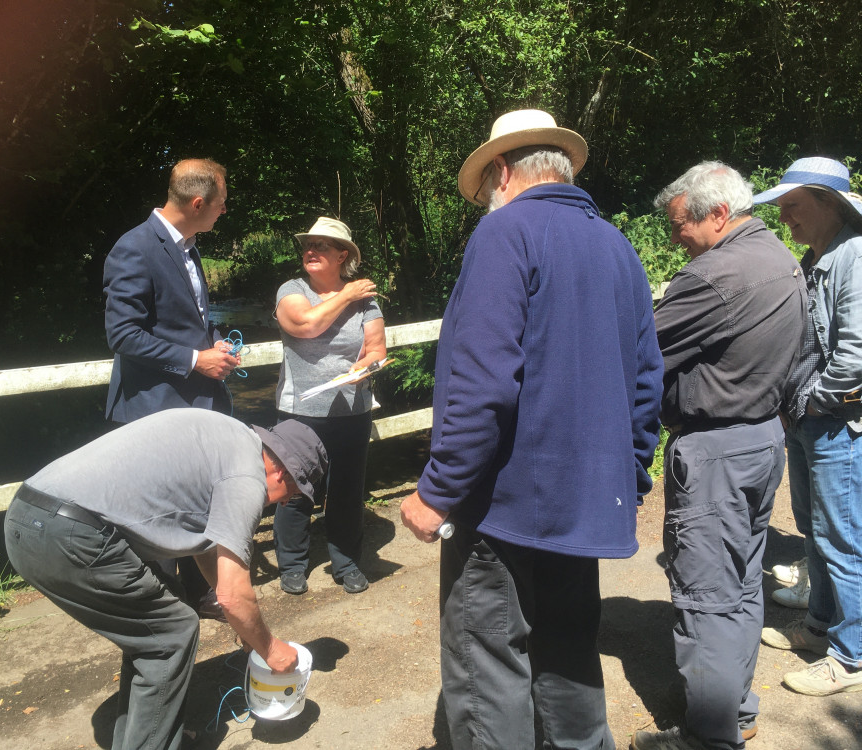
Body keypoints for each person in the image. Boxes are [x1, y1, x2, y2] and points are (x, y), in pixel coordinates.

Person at [399, 109, 663, 749]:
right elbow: (646, 380)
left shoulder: (504, 234)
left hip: (501, 507)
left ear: (501, 170)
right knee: (569, 653)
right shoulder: (617, 245)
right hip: (583, 502)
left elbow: (484, 378)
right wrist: (624, 472)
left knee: (487, 666)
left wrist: (439, 490)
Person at [4, 409, 328, 750]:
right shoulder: (246, 477)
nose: (287, 502)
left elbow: (205, 549)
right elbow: (233, 594)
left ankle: (147, 738)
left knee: (158, 620)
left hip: (27, 518)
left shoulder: (226, 440)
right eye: (293, 493)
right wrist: (271, 650)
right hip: (69, 533)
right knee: (172, 633)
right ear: (281, 470)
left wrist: (249, 635)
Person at [630, 163, 807, 750]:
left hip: (715, 451)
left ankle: (708, 736)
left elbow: (639, 346)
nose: (672, 235)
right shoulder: (779, 258)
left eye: (678, 223)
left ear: (717, 215)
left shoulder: (716, 275)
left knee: (705, 595)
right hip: (760, 439)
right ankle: (737, 711)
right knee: (740, 585)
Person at [103, 158, 240, 620]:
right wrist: (195, 360)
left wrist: (209, 346)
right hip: (153, 410)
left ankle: (198, 594)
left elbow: (181, 321)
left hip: (189, 403)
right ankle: (160, 612)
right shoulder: (135, 248)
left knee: (196, 505)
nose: (225, 210)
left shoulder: (187, 245)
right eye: (221, 203)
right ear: (198, 202)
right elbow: (122, 334)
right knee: (157, 517)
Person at [754, 157, 862, 697]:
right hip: (808, 419)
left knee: (843, 539)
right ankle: (820, 627)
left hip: (834, 422)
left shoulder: (855, 256)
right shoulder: (818, 255)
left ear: (828, 203)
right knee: (816, 531)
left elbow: (856, 355)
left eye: (792, 207)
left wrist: (811, 403)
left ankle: (851, 654)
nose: (785, 218)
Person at [272, 216, 386, 595]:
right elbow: (304, 325)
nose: (311, 250)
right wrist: (347, 295)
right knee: (294, 490)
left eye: (322, 245)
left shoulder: (365, 300)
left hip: (352, 410)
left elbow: (377, 348)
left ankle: (347, 562)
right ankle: (291, 564)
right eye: (308, 244)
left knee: (347, 492)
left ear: (342, 255)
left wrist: (365, 366)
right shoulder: (292, 290)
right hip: (299, 411)